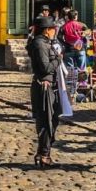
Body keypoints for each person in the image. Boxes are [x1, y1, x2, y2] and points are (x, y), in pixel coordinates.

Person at [27, 16, 63, 167]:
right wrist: (58, 59)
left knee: (53, 120)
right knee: (46, 121)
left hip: (51, 85)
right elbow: (45, 67)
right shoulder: (40, 44)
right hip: (44, 87)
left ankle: (42, 153)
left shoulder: (46, 42)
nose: (55, 31)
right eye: (53, 29)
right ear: (47, 30)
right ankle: (44, 155)